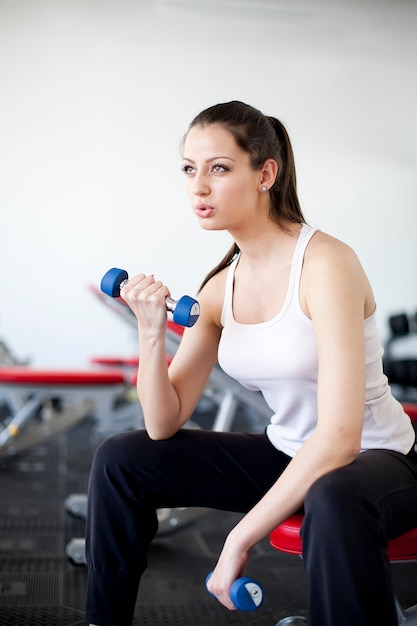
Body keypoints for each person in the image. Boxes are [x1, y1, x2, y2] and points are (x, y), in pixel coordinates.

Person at [85, 100, 417, 626]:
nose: (199, 187)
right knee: (121, 458)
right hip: (285, 452)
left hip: (375, 461)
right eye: (189, 170)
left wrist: (239, 538)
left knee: (332, 494)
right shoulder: (220, 287)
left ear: (266, 173)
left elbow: (338, 439)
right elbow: (162, 421)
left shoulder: (326, 264)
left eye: (218, 168)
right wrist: (151, 333)